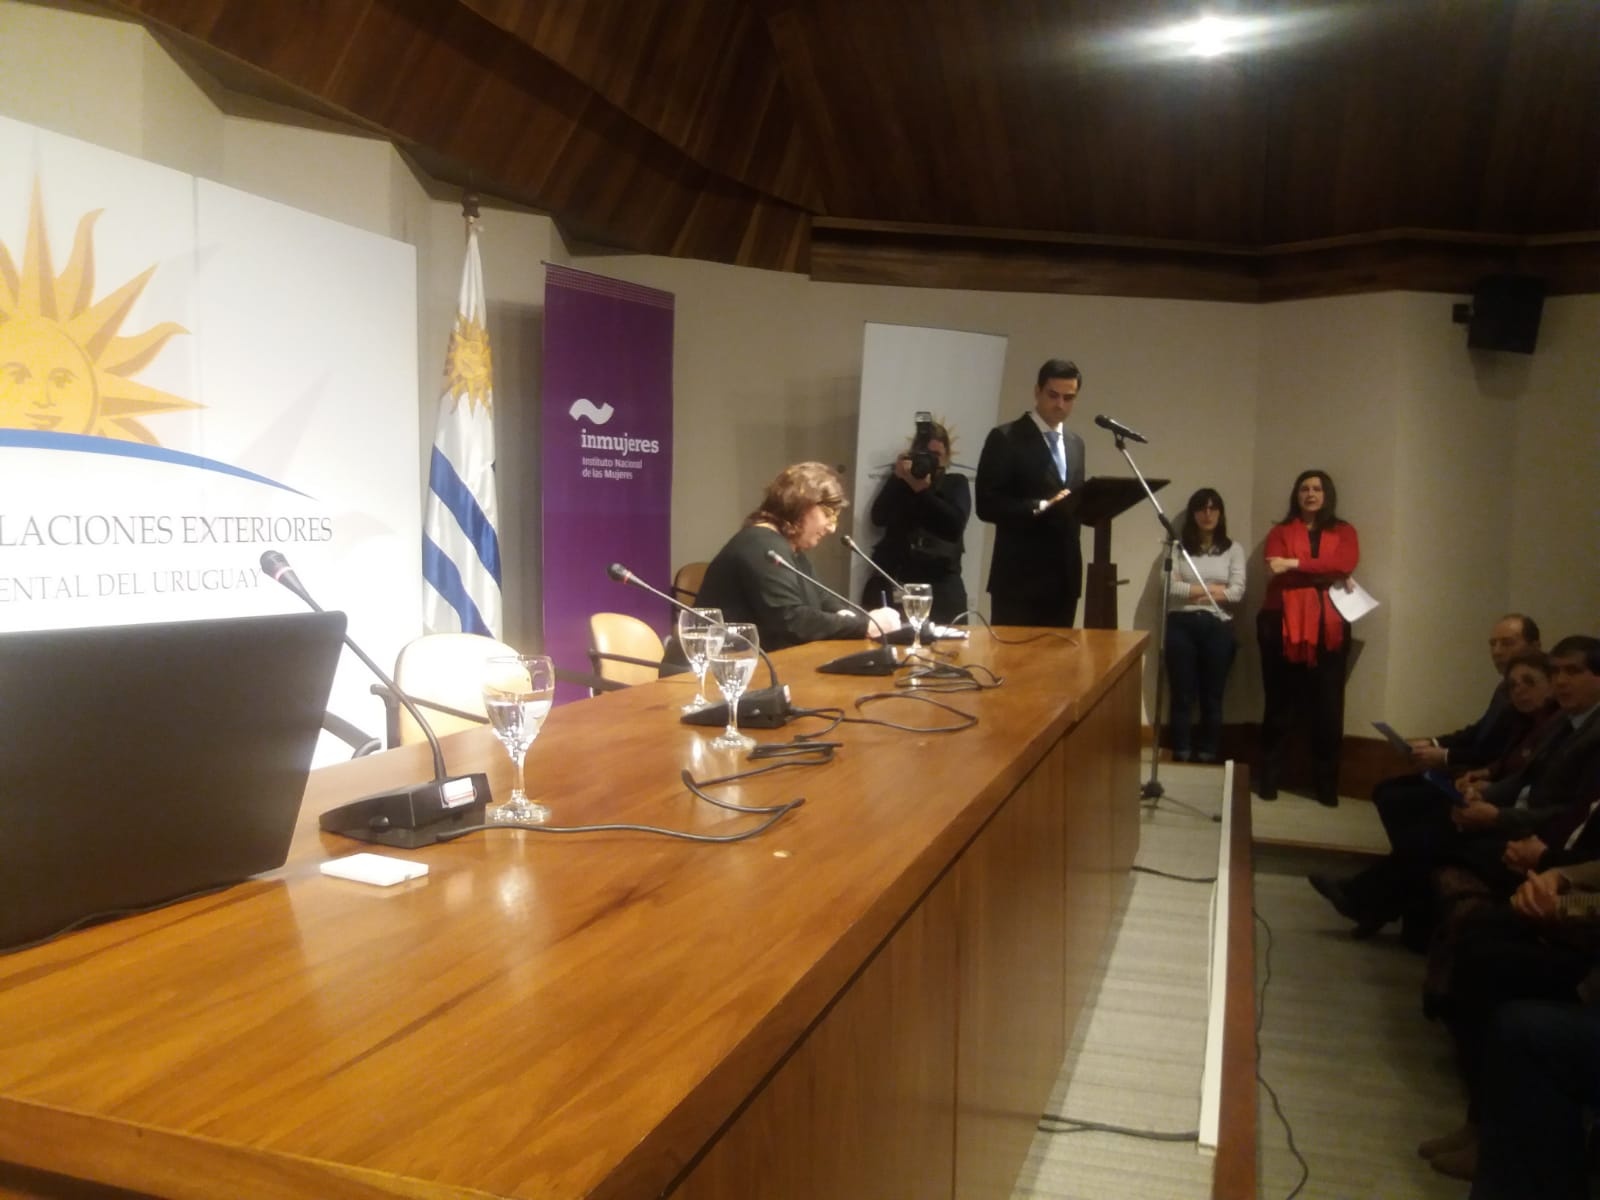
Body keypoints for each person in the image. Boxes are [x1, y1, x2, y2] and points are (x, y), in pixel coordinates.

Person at [695, 461, 901, 652]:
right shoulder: (761, 545)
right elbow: (791, 620)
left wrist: (854, 618)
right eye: (828, 514)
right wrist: (864, 625)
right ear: (801, 505)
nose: (832, 528)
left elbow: (822, 599)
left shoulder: (788, 547)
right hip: (717, 669)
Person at [1256, 468, 1359, 806]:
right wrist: (1323, 572)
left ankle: (1326, 786)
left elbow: (1344, 564)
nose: (1310, 494)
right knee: (1279, 704)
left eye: (1317, 489)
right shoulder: (1280, 531)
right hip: (1280, 623)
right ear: (1296, 495)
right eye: (1304, 489)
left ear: (1327, 494)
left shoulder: (1344, 531)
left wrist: (1293, 564)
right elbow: (1274, 568)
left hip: (1329, 625)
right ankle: (1268, 779)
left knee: (1328, 707)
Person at [975, 359, 1086, 627]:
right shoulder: (1006, 437)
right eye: (1053, 395)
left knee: (1061, 653)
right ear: (1037, 391)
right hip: (1019, 578)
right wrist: (1041, 505)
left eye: (1068, 398)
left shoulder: (1075, 444)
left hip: (1065, 577)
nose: (1060, 404)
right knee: (1013, 653)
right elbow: (986, 504)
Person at [1162, 488, 1246, 763]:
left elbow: (1236, 593)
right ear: (1193, 513)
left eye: (1213, 508)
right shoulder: (1177, 548)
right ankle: (1181, 750)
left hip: (1217, 625)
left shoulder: (1233, 549)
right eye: (1201, 508)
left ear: (1220, 513)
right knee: (1182, 694)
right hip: (1181, 624)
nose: (1207, 514)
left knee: (1212, 695)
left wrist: (1192, 589)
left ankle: (1209, 752)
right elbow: (1168, 587)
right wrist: (1213, 589)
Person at [860, 419, 971, 625]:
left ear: (946, 457)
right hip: (897, 578)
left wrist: (922, 491)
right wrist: (898, 478)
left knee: (950, 641)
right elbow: (878, 517)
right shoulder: (900, 483)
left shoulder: (955, 483)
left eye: (936, 455)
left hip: (940, 583)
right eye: (925, 455)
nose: (930, 461)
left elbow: (954, 526)